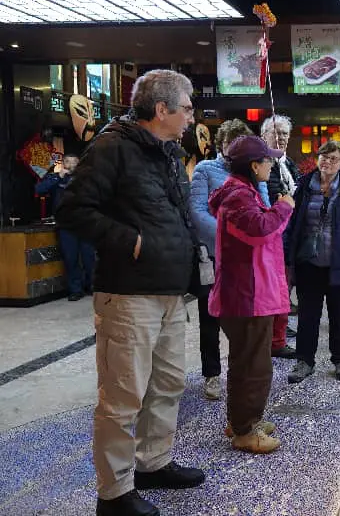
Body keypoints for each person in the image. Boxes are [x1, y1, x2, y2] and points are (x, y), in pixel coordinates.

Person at [56, 69, 205, 516]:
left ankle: (152, 462)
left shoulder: (168, 153)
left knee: (168, 383)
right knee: (123, 396)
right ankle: (115, 492)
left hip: (170, 292)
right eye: (187, 107)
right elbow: (73, 209)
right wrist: (129, 240)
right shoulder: (112, 147)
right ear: (162, 109)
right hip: (128, 294)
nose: (192, 115)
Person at [208, 135, 293, 454]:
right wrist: (284, 208)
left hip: (248, 294)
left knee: (245, 363)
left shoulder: (241, 193)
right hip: (246, 297)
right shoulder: (237, 197)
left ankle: (242, 420)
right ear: (254, 165)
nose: (271, 165)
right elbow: (259, 230)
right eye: (268, 160)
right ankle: (245, 430)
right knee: (255, 366)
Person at [189, 119, 275, 401]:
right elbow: (197, 211)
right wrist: (229, 238)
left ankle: (239, 372)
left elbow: (262, 209)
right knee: (210, 317)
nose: (235, 148)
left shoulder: (255, 174)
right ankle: (212, 373)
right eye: (230, 143)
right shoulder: (205, 170)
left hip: (246, 261)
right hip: (213, 256)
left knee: (244, 321)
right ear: (222, 144)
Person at [285, 141, 340, 383]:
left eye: (333, 158)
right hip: (307, 264)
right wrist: (287, 255)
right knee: (307, 316)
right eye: (323, 157)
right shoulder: (302, 186)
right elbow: (291, 225)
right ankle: (304, 361)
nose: (327, 162)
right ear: (317, 158)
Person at [261, 114, 301, 350]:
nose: (281, 137)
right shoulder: (263, 163)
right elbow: (274, 196)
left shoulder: (290, 163)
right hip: (274, 234)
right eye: (276, 132)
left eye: (285, 133)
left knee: (286, 285)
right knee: (276, 286)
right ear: (263, 135)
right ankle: (275, 337)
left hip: (291, 234)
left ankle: (280, 329)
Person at [36, 153, 95, 301]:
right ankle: (76, 289)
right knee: (70, 258)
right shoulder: (56, 178)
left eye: (75, 162)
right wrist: (58, 177)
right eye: (68, 162)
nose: (72, 165)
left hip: (84, 223)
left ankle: (92, 285)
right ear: (63, 164)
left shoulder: (87, 178)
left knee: (89, 257)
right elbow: (39, 189)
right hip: (66, 225)